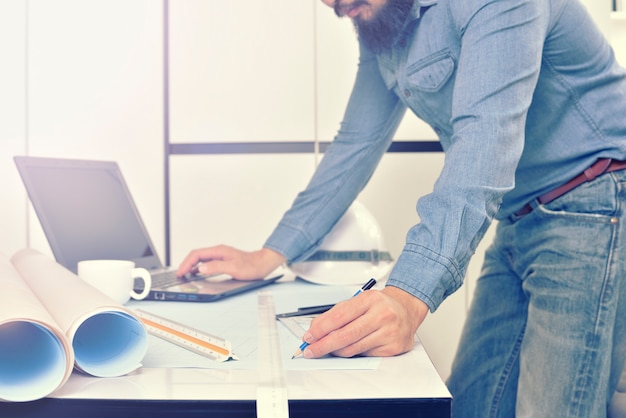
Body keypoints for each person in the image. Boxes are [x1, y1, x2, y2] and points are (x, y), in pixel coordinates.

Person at [177, 0, 626, 416]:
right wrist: (270, 255)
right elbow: (358, 142)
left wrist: (408, 295)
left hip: (594, 207)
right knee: (470, 406)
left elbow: (484, 140)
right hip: (518, 217)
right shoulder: (378, 17)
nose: (334, 5)